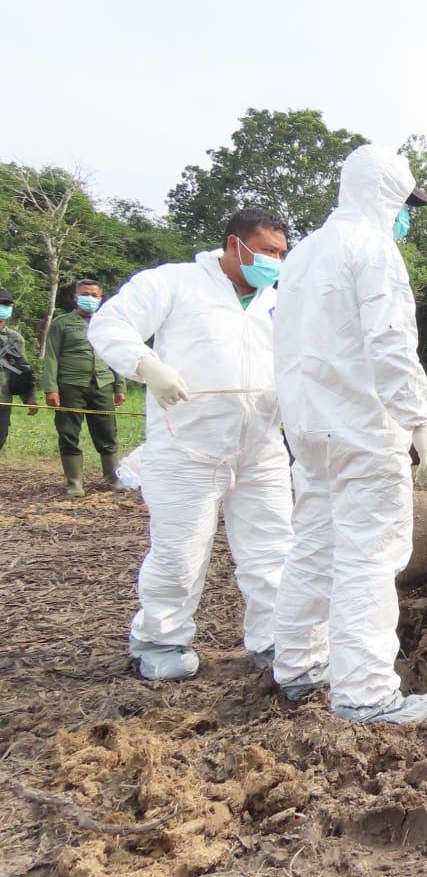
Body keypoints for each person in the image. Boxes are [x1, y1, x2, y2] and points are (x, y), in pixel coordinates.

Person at [271, 143, 427, 724]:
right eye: (407, 202)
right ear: (385, 193)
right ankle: (366, 694)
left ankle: (297, 664)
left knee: (314, 546)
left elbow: (288, 345)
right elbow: (391, 343)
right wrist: (417, 421)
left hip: (310, 431)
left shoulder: (302, 256)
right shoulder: (374, 249)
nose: (409, 215)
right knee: (369, 556)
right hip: (364, 431)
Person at [88, 210, 294, 680]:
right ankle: (159, 639)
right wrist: (147, 365)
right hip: (187, 447)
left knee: (273, 551)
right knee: (180, 552)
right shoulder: (174, 283)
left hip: (260, 447)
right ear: (233, 244)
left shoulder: (278, 304)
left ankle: (275, 638)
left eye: (281, 254)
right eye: (266, 251)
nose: (275, 262)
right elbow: (110, 324)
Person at [41, 279, 126, 496]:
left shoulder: (109, 323)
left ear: (101, 297)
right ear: (75, 297)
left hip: (103, 384)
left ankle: (113, 478)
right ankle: (74, 483)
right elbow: (51, 357)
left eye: (94, 295)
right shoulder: (62, 323)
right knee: (69, 434)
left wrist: (120, 386)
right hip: (70, 385)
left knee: (107, 434)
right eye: (85, 294)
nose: (89, 298)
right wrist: (50, 388)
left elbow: (116, 354)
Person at [0, 287, 39, 451]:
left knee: (0, 437)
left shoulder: (15, 339)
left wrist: (30, 397)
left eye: (6, 305)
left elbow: (23, 370)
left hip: (2, 400)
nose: (3, 307)